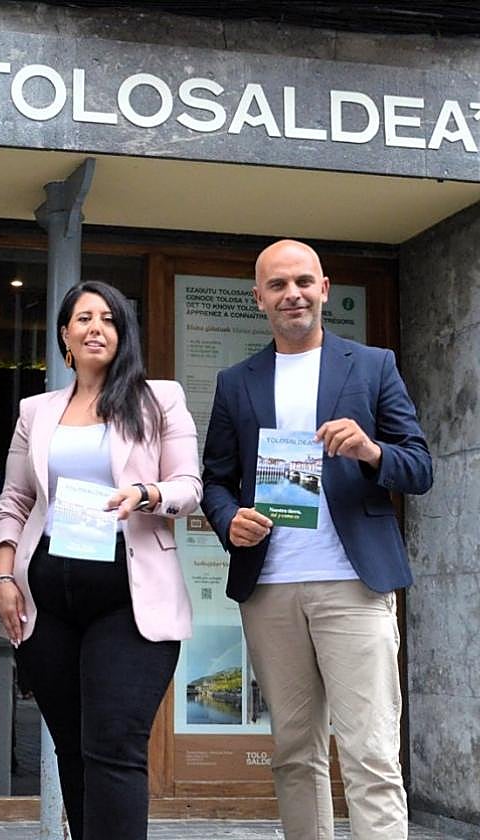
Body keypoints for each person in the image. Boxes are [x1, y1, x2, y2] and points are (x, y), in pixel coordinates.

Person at [201, 239, 433, 840]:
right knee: (294, 754)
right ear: (258, 299)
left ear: (324, 288)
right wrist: (229, 521)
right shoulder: (235, 382)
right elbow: (216, 481)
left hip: (354, 585)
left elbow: (420, 468)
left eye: (303, 281)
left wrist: (371, 450)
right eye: (277, 285)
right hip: (271, 588)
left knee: (372, 755)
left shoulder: (373, 365)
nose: (292, 294)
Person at [0, 280, 201, 839]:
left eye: (108, 318)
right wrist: (3, 575)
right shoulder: (37, 411)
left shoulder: (160, 399)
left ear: (122, 331)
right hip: (48, 601)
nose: (95, 328)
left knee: (114, 744)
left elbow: (189, 486)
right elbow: (14, 500)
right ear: (65, 334)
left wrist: (146, 494)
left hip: (127, 598)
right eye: (83, 318)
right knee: (75, 750)